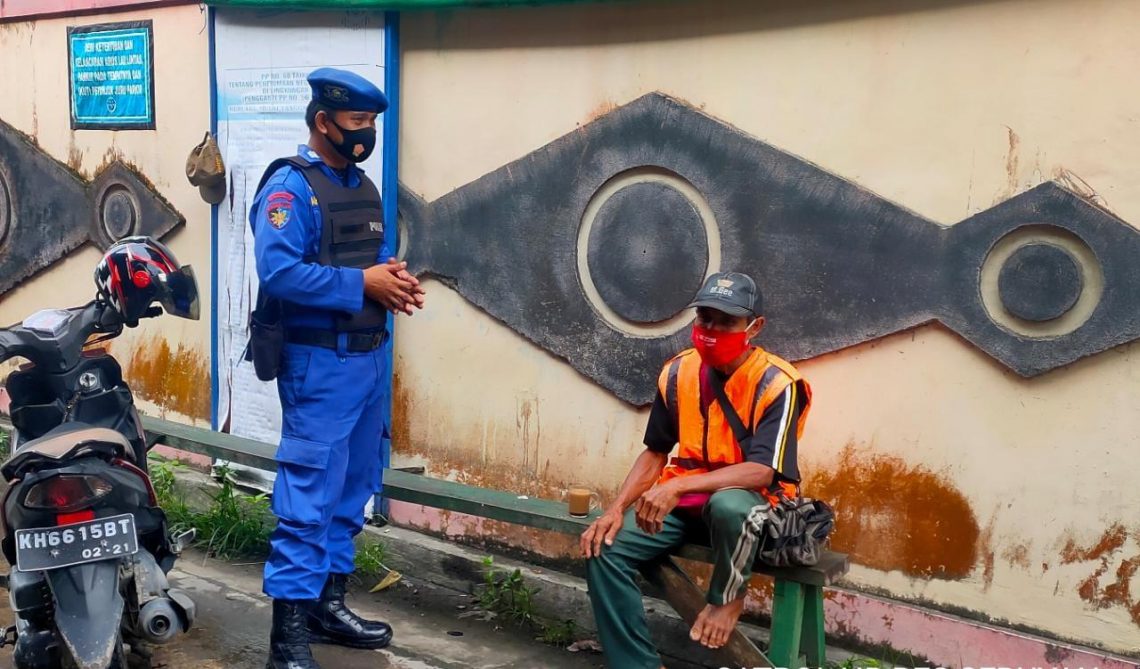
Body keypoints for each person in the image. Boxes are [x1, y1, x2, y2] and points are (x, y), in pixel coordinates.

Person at [250, 67, 425, 669]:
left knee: (352, 490)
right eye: (357, 122)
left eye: (371, 122)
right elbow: (279, 272)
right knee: (309, 498)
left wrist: (394, 279)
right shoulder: (290, 189)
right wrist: (362, 284)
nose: (366, 133)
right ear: (323, 122)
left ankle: (328, 605)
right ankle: (287, 640)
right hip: (319, 365)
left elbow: (373, 257)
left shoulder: (363, 187)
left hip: (368, 361)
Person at [580, 271, 812, 669]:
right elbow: (655, 452)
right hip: (685, 505)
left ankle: (727, 600)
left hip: (751, 508)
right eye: (705, 318)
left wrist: (678, 487)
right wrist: (616, 508)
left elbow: (761, 472)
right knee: (605, 548)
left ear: (754, 327)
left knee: (728, 505)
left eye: (727, 322)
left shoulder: (779, 383)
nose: (712, 330)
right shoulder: (677, 372)